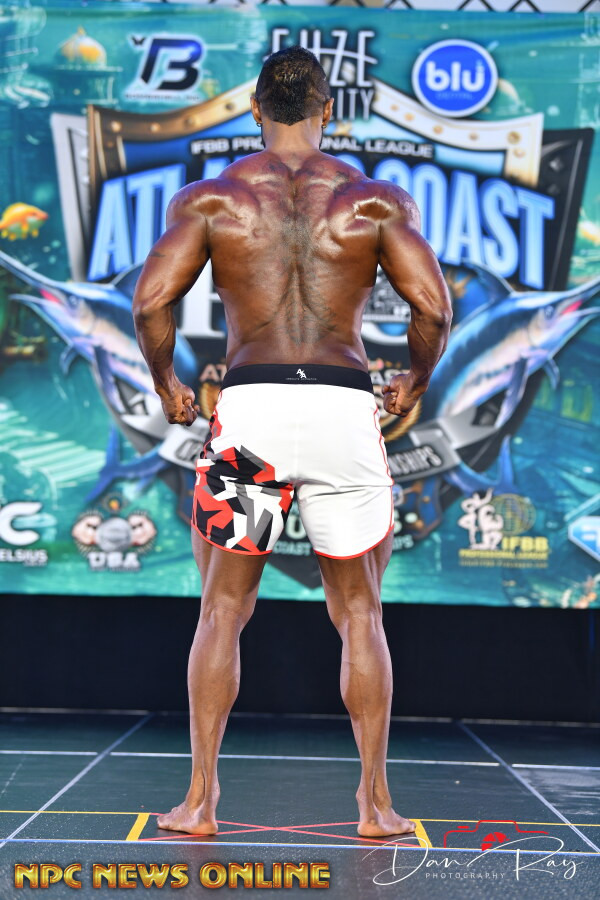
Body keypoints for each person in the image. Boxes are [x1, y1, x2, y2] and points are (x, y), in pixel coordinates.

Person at [133, 46, 452, 838]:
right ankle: (376, 806)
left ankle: (200, 803)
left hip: (253, 414)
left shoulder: (212, 199)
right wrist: (413, 380)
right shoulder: (375, 201)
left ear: (254, 110)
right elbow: (434, 309)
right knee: (360, 611)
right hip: (344, 409)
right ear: (327, 111)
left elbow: (150, 302)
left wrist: (169, 385)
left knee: (223, 608)